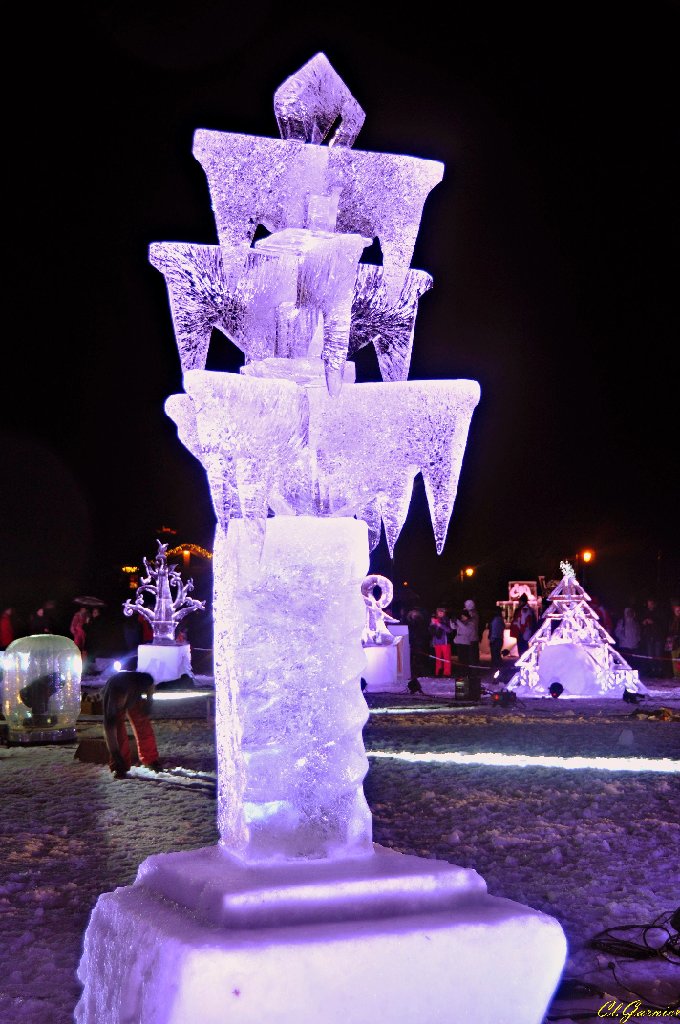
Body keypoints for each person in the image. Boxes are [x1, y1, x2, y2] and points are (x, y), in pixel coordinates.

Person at [102, 670, 161, 778]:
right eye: (120, 701)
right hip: (117, 691)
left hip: (133, 693)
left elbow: (150, 682)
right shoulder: (112, 703)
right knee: (119, 730)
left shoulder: (139, 681)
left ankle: (150, 760)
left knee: (143, 724)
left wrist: (149, 700)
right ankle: (120, 766)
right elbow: (110, 731)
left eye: (123, 700)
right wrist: (115, 754)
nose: (122, 704)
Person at [640, 596, 666, 678]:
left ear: (654, 604)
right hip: (649, 637)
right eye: (648, 604)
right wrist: (644, 622)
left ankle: (659, 671)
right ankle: (653, 670)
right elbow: (642, 622)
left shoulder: (659, 612)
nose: (649, 605)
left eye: (651, 604)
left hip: (658, 637)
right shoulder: (646, 612)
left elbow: (663, 624)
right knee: (650, 655)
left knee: (658, 654)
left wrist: (653, 622)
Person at [406, 606, 430, 691]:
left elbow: (422, 632)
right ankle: (414, 674)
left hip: (419, 642)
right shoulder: (410, 624)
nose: (414, 616)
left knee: (419, 659)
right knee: (413, 660)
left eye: (415, 614)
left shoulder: (420, 623)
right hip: (413, 642)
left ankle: (419, 673)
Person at [429, 607, 454, 677]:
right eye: (439, 612)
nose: (440, 613)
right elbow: (431, 631)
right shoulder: (435, 620)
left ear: (444, 612)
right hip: (437, 642)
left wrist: (440, 625)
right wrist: (432, 624)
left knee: (446, 658)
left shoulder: (447, 620)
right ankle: (438, 672)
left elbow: (449, 630)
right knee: (438, 659)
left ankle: (447, 673)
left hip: (445, 642)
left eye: (442, 612)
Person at [665, 598, 680, 680]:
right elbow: (669, 630)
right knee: (674, 659)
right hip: (674, 642)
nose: (678, 611)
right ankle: (676, 675)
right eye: (676, 610)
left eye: (679, 610)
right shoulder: (672, 619)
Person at [463, 599, 480, 666]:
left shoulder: (473, 613)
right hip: (471, 638)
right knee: (471, 656)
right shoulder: (473, 613)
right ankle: (473, 671)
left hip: (472, 638)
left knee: (472, 657)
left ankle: (474, 672)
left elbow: (470, 622)